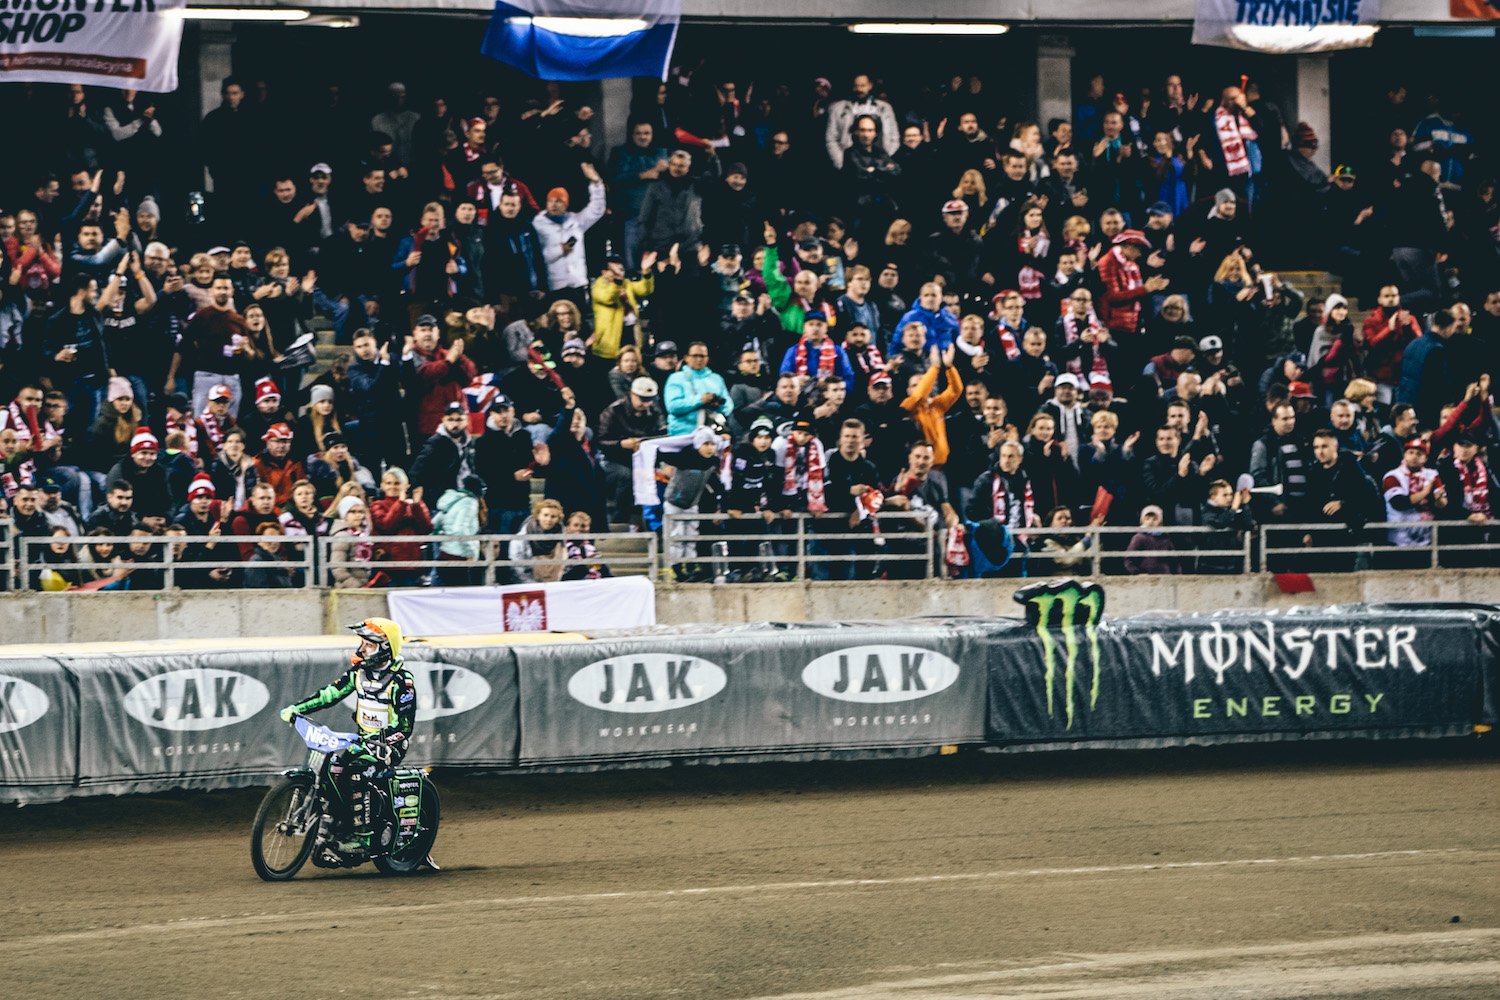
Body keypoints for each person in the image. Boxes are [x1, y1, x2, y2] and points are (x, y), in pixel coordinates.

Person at [277, 618, 416, 855]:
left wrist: (384, 744)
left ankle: (361, 837)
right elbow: (329, 695)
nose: (362, 649)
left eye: (369, 645)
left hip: (389, 746)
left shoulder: (402, 682)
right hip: (362, 740)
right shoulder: (358, 673)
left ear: (384, 648)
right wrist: (297, 709)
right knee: (332, 769)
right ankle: (338, 824)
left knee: (356, 775)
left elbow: (404, 726)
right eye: (362, 643)